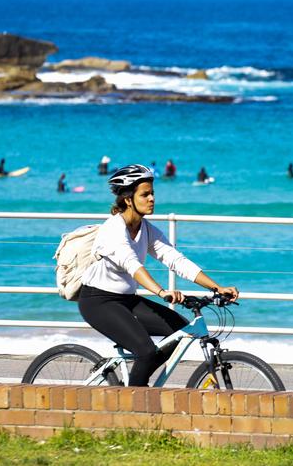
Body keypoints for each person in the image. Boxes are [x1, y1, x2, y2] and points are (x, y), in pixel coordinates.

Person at [78, 164, 238, 387]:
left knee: (179, 332)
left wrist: (216, 287)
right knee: (145, 350)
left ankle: (137, 383)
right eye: (145, 194)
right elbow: (132, 265)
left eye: (152, 193)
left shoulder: (147, 229)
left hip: (127, 300)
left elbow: (175, 260)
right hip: (98, 301)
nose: (152, 198)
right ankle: (132, 401)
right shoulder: (113, 230)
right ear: (127, 199)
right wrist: (162, 292)